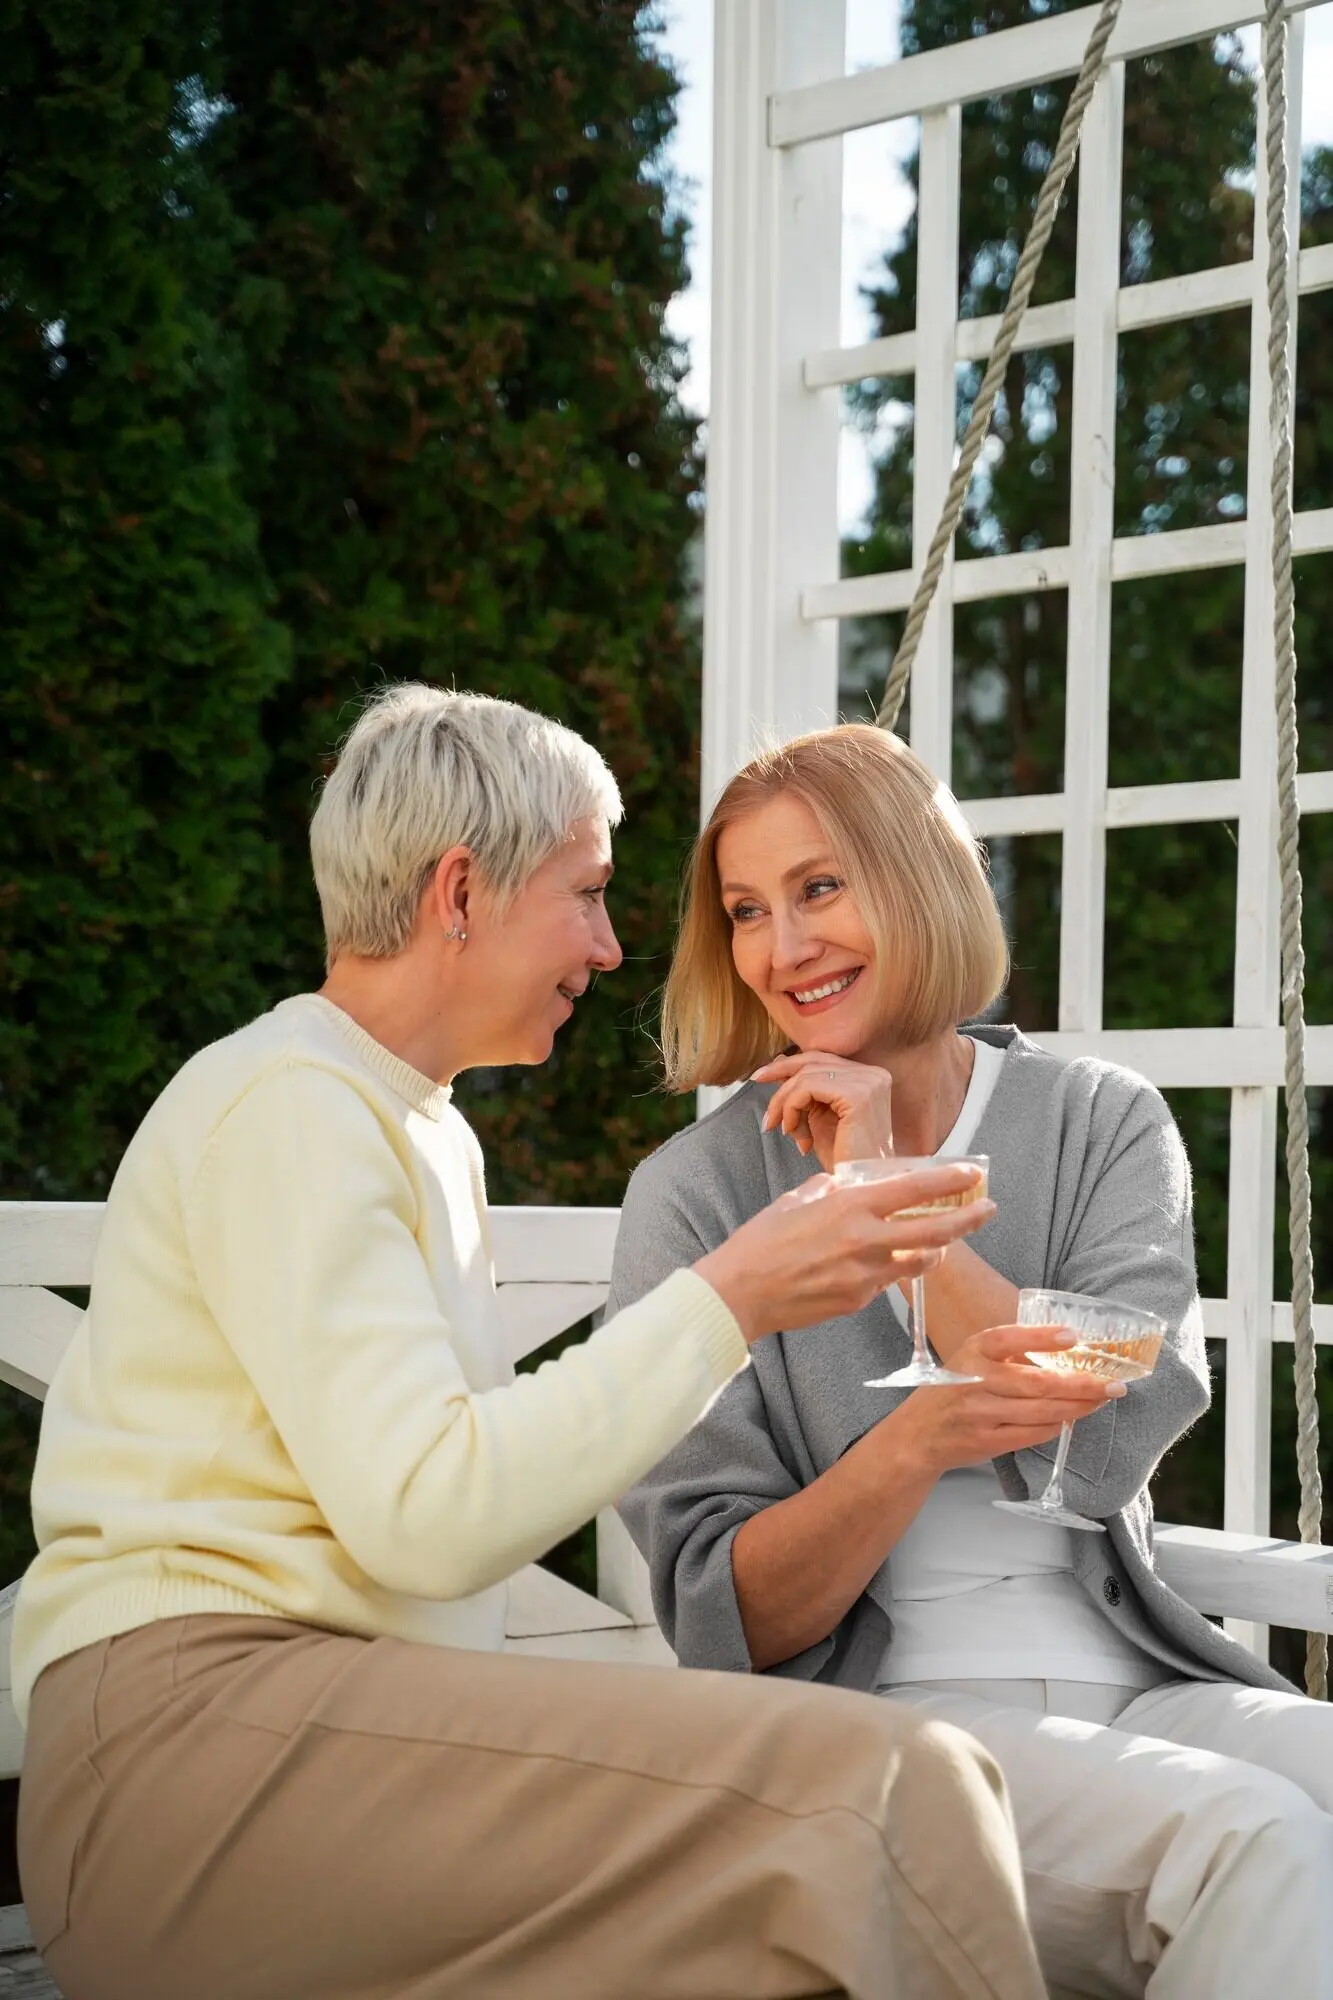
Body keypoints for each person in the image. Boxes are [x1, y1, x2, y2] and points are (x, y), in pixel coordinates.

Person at [11, 686, 1047, 2000]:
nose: (612, 949)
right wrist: (732, 1295)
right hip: (189, 1773)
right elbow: (428, 1516)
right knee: (897, 1792)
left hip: (341, 1752)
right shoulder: (288, 1107)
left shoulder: (415, 1126)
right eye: (587, 893)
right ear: (459, 893)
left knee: (784, 1925)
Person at [613, 720, 1333, 2000]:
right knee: (1256, 1838)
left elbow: (1123, 1403)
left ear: (919, 876)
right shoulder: (695, 1195)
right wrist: (915, 1438)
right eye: (744, 908)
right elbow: (730, 1608)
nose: (784, 947)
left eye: (820, 886)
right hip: (884, 1733)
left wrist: (887, 1191)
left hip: (1142, 1680)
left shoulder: (1100, 1117)